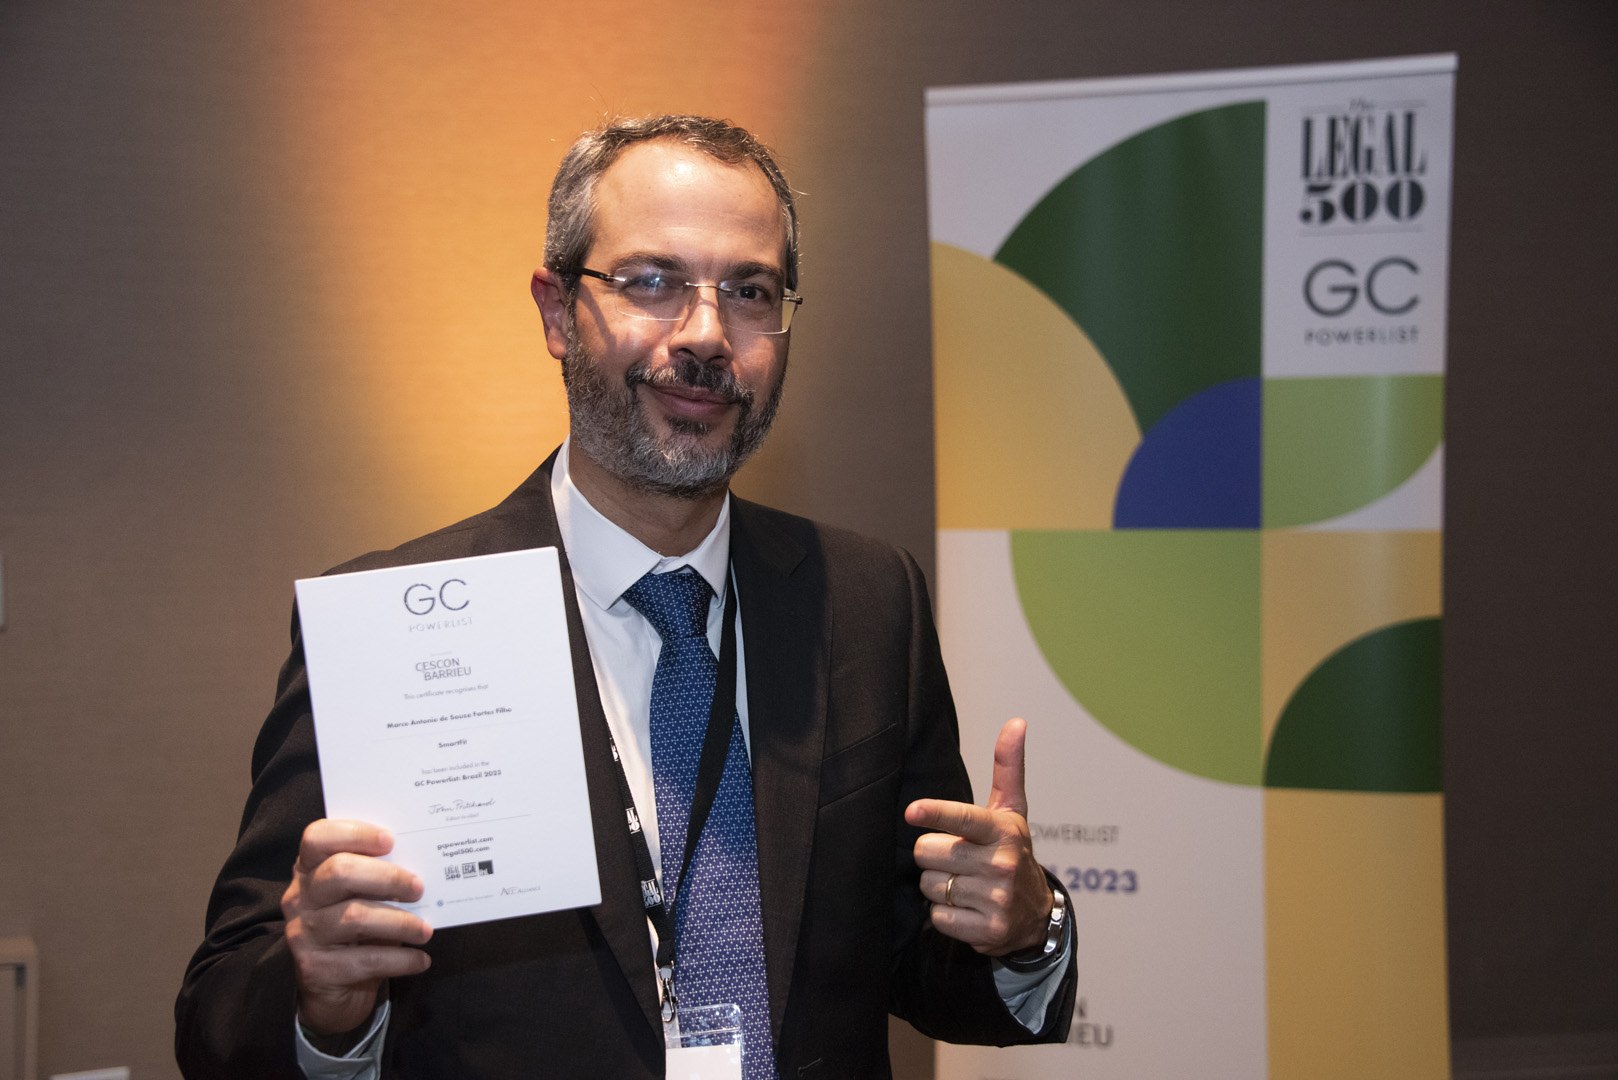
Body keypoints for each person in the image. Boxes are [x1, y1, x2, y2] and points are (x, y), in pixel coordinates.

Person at [176, 114, 1076, 1080]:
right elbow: (220, 1017)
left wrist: (1026, 928)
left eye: (749, 291)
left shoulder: (867, 603)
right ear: (558, 312)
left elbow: (918, 963)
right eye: (652, 281)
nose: (706, 335)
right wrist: (321, 998)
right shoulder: (390, 629)